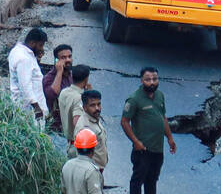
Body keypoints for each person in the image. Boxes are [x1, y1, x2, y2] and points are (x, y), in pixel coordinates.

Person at [121, 66, 176, 194]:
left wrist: (170, 138)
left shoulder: (160, 95)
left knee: (152, 180)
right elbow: (124, 122)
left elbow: (163, 118)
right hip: (142, 150)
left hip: (158, 149)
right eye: (148, 79)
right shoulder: (134, 99)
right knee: (137, 181)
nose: (152, 82)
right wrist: (136, 142)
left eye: (155, 79)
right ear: (141, 81)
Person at [8, 27, 48, 124]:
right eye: (40, 45)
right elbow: (25, 86)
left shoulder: (18, 50)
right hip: (29, 109)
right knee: (35, 135)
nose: (41, 48)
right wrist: (36, 107)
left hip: (25, 106)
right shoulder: (24, 58)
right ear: (33, 43)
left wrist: (37, 58)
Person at [74, 90, 108, 176]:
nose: (97, 108)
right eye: (92, 105)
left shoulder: (94, 117)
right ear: (84, 107)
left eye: (99, 104)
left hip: (97, 169)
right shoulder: (85, 128)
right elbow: (83, 157)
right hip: (91, 171)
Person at [61, 129, 103, 194]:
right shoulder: (92, 172)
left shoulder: (67, 165)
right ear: (93, 150)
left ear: (77, 148)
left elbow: (63, 190)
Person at [60, 63, 91, 151]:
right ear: (86, 79)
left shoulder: (64, 92)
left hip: (69, 141)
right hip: (79, 146)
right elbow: (77, 122)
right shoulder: (79, 98)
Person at [43, 43, 73, 131]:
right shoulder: (49, 78)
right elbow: (52, 94)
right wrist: (59, 72)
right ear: (56, 60)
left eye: (69, 56)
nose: (68, 60)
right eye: (63, 58)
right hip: (55, 128)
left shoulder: (71, 75)